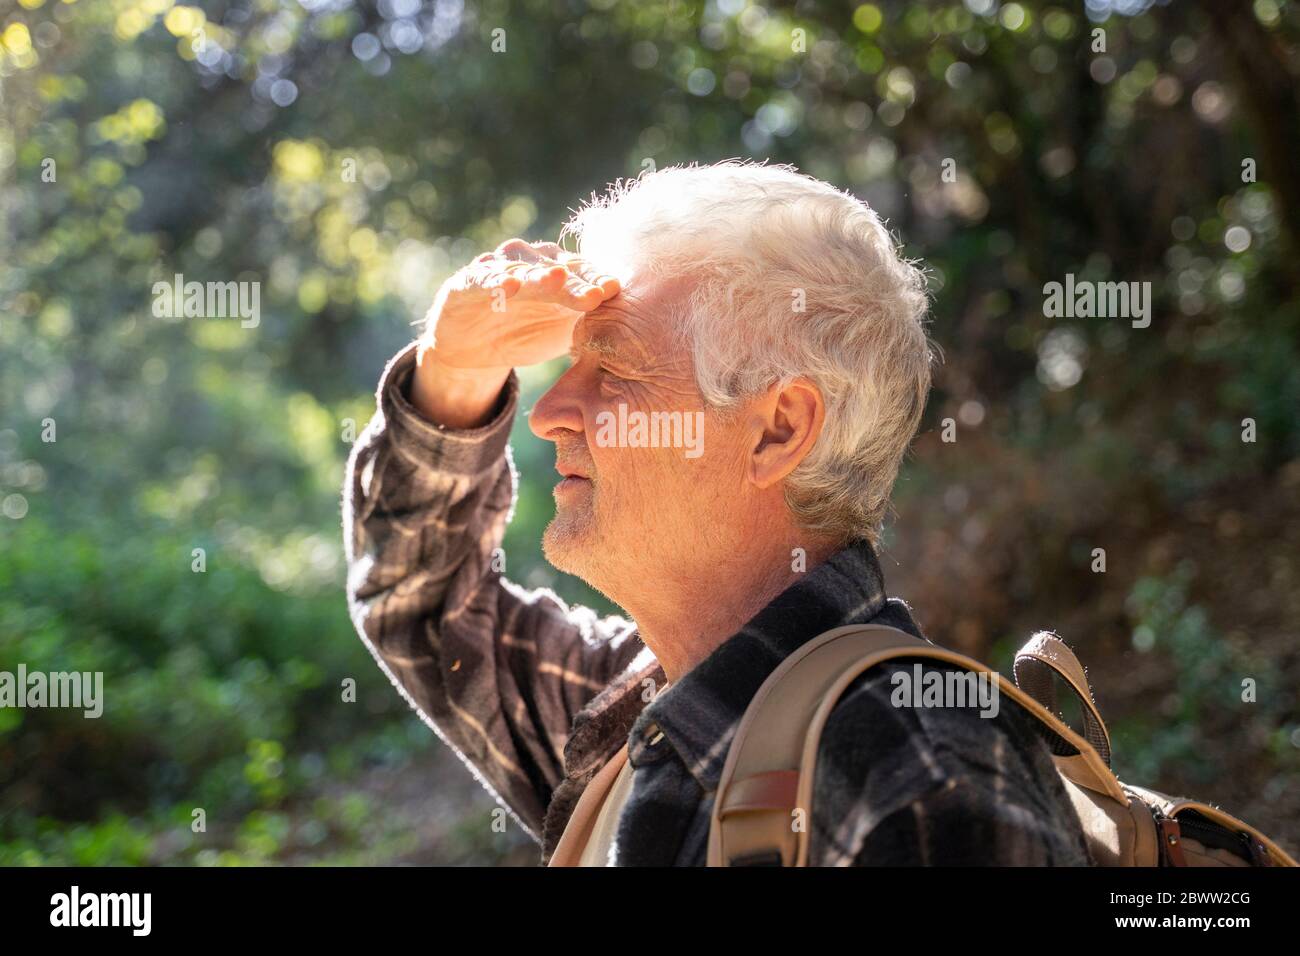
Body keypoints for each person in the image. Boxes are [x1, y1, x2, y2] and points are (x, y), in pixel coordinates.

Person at [342, 160, 1091, 866]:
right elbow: (422, 599)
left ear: (778, 430)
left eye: (618, 366)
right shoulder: (633, 703)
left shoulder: (918, 769)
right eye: (572, 362)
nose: (547, 413)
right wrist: (453, 374)